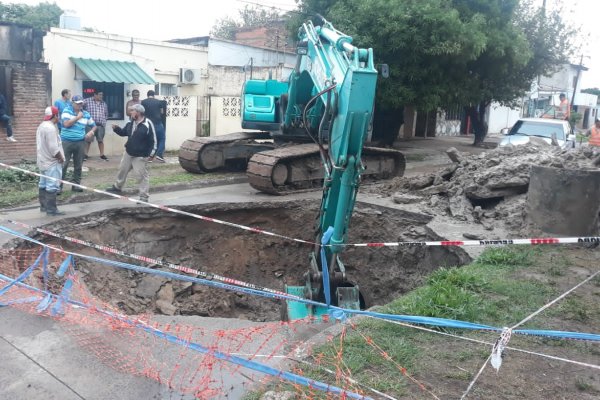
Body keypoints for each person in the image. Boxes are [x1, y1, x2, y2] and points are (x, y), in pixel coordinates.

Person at [106, 104, 156, 203]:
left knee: (141, 176)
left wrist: (152, 154)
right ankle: (117, 187)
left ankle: (144, 197)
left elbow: (153, 140)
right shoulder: (130, 122)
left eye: (132, 110)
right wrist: (116, 129)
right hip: (129, 152)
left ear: (138, 112)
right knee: (122, 170)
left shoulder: (147, 123)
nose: (131, 112)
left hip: (141, 155)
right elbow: (124, 132)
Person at [60, 95, 96, 193]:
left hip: (80, 141)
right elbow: (66, 124)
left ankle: (76, 185)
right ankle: (59, 187)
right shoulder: (66, 111)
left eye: (81, 103)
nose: (80, 105)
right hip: (66, 141)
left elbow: (94, 126)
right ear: (73, 103)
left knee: (78, 165)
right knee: (64, 164)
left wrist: (90, 132)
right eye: (78, 103)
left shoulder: (86, 114)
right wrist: (77, 117)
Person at [37, 106, 65, 216]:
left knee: (43, 183)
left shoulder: (41, 126)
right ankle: (51, 210)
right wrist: (61, 158)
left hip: (42, 161)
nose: (59, 117)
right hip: (52, 162)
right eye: (58, 115)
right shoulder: (51, 128)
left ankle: (43, 206)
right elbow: (53, 148)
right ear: (55, 115)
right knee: (52, 185)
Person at [83, 90, 109, 161]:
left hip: (100, 125)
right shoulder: (87, 101)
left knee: (100, 140)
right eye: (100, 95)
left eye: (102, 95)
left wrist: (103, 122)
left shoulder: (104, 103)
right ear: (95, 95)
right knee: (88, 140)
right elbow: (79, 106)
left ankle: (102, 154)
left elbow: (106, 114)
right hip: (90, 125)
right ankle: (85, 155)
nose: (101, 96)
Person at [141, 90, 167, 162]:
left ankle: (149, 157)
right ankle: (159, 154)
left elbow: (142, 112)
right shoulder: (158, 102)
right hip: (158, 123)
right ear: (154, 95)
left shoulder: (143, 102)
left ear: (147, 95)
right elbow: (162, 112)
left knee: (150, 140)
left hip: (148, 124)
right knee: (162, 138)